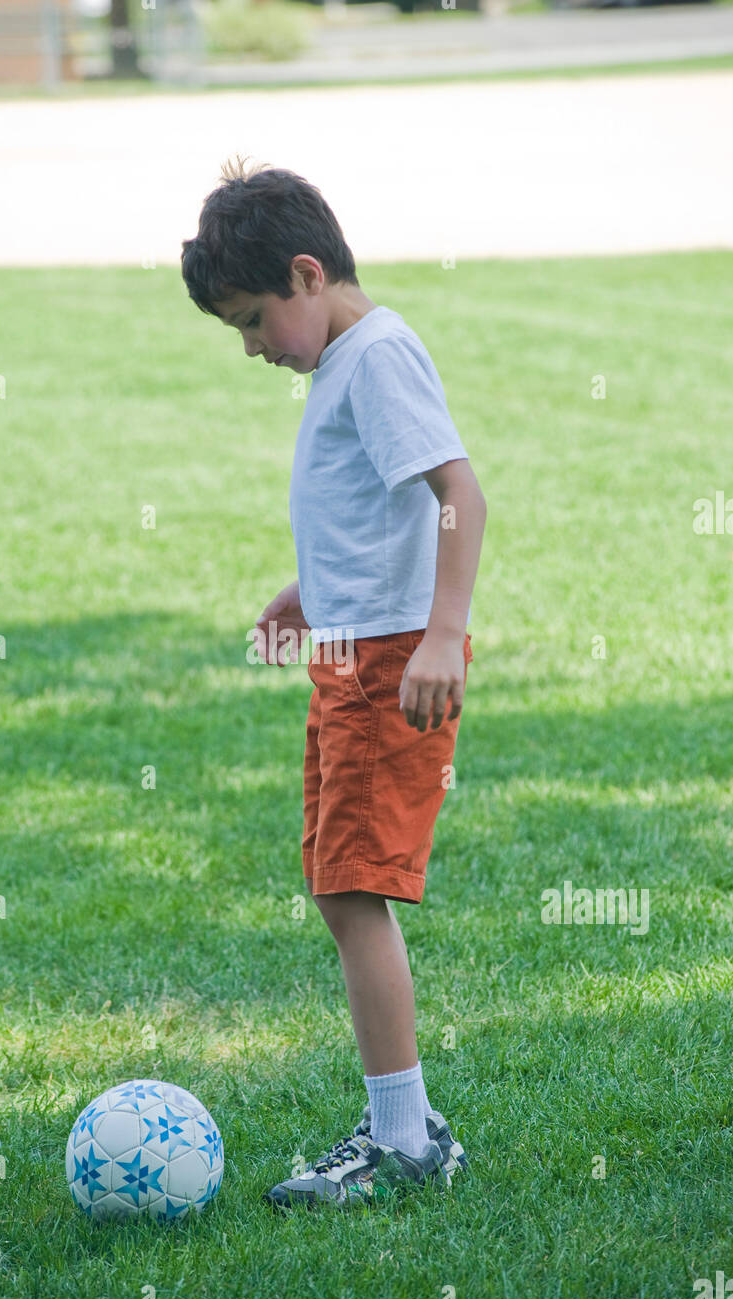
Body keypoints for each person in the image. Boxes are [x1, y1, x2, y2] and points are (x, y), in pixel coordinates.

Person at [181, 156, 486, 1208]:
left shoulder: (378, 355)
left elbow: (456, 494)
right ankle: (400, 1122)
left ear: (306, 274)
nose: (255, 346)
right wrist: (307, 591)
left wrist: (445, 635)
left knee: (355, 891)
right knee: (335, 883)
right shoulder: (340, 362)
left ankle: (403, 1137)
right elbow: (369, 509)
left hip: (395, 666)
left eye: (254, 319)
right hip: (348, 655)